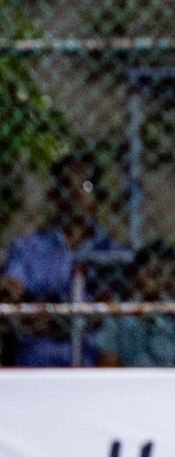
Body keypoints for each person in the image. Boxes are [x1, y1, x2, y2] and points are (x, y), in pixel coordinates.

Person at [1, 153, 126, 367]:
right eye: (67, 185)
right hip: (37, 358)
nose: (76, 194)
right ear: (54, 194)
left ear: (100, 195)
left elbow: (109, 311)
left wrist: (54, 318)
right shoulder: (28, 248)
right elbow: (11, 296)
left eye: (85, 186)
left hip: (92, 359)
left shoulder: (113, 253)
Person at [98, 241, 175, 367]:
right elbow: (107, 368)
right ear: (136, 280)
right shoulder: (119, 321)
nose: (165, 283)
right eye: (155, 275)